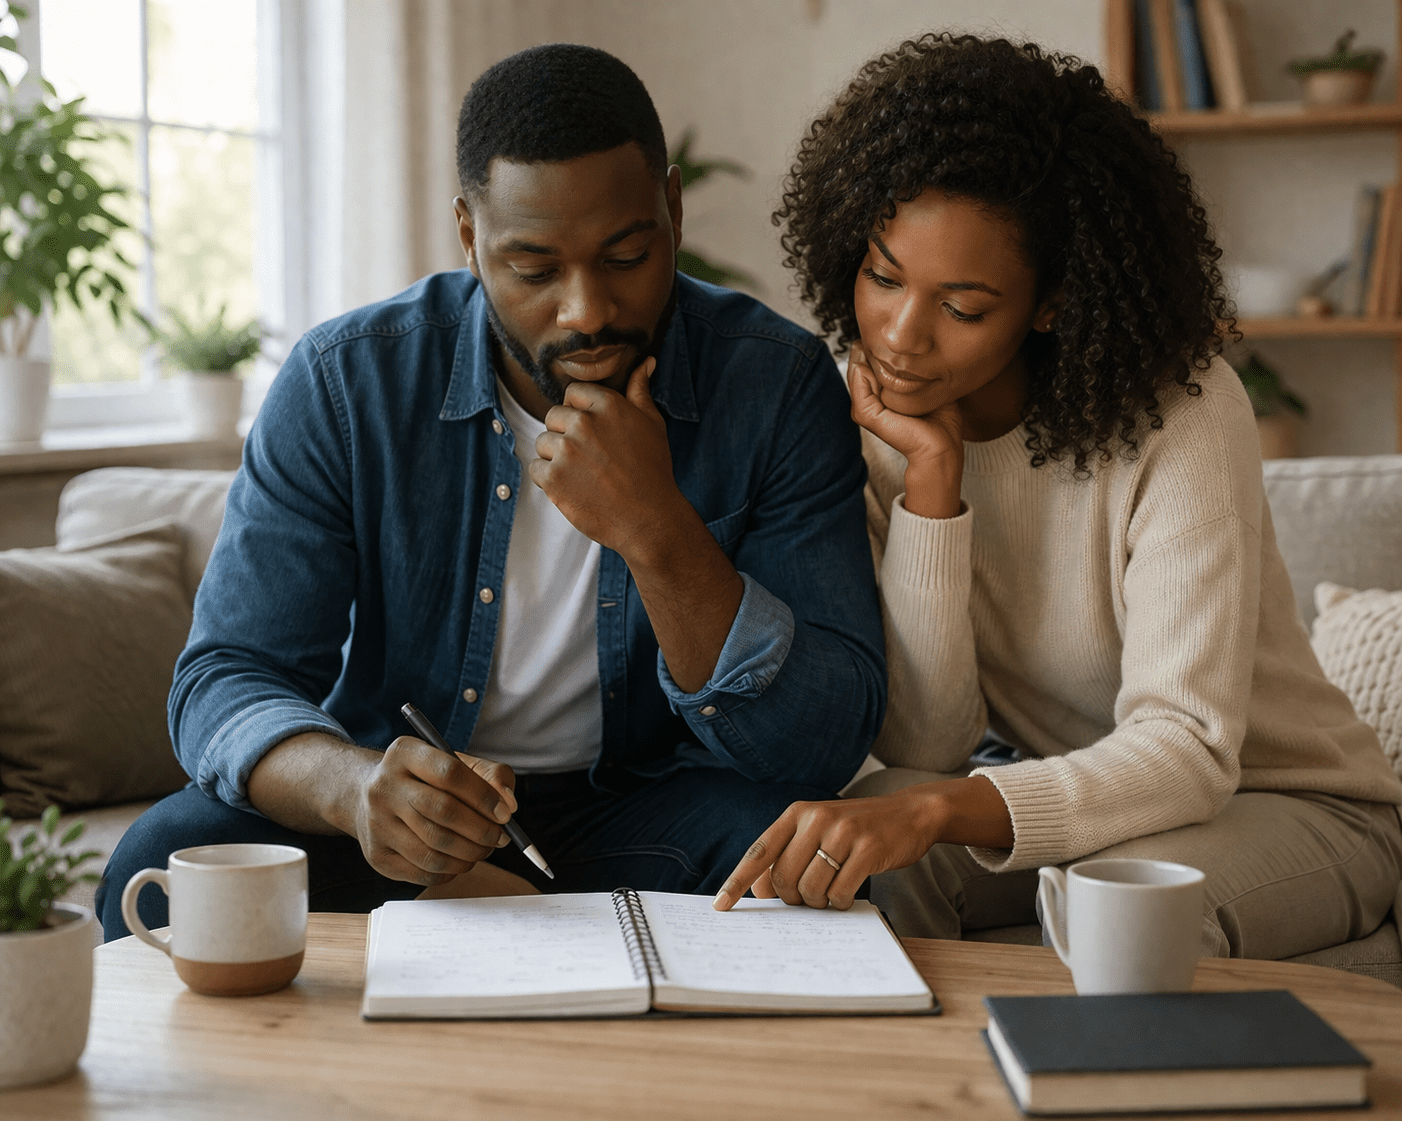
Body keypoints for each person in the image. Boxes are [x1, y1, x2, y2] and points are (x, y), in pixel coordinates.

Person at [96, 43, 886, 941]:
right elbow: (225, 677)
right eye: (535, 269)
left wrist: (657, 529)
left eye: (625, 254)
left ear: (671, 207)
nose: (585, 308)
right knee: (165, 864)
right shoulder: (347, 384)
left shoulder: (775, 385)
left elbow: (825, 738)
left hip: (644, 815)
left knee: (812, 868)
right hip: (399, 821)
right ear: (471, 237)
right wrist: (355, 790)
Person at [714, 34, 1402, 960]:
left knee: (1118, 904)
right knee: (854, 845)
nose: (901, 335)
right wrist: (931, 488)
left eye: (961, 307)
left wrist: (943, 807)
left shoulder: (1182, 414)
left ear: (1051, 301)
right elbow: (928, 740)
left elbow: (1189, 747)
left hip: (1284, 802)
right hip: (1079, 799)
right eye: (883, 277)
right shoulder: (868, 417)